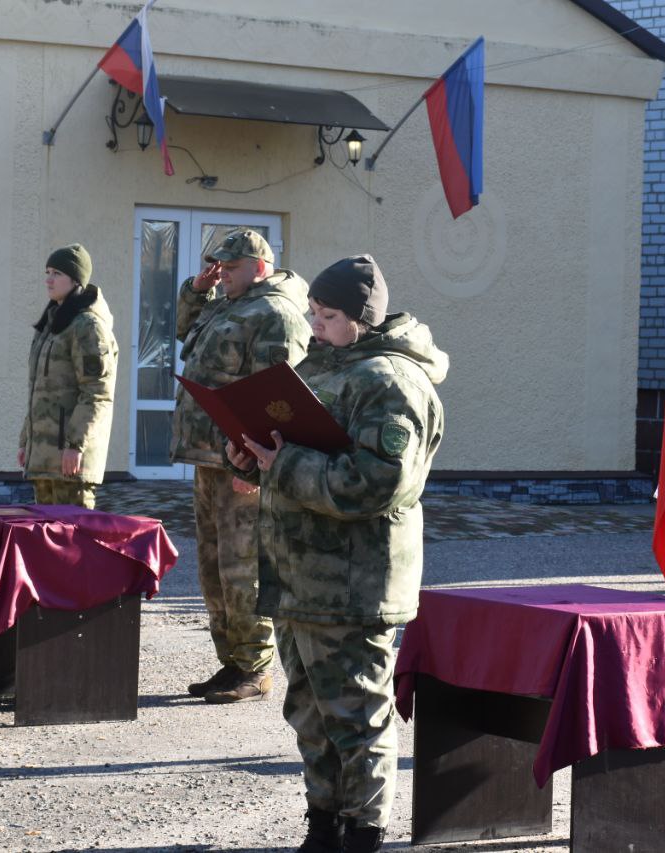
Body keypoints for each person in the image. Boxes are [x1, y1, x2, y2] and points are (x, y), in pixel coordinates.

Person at [227, 255, 446, 853]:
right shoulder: (323, 366)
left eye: (326, 316)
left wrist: (286, 464)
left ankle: (363, 833)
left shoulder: (392, 381)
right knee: (310, 714)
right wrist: (251, 454)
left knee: (355, 717)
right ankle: (324, 823)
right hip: (300, 578)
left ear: (361, 319)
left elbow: (379, 482)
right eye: (314, 314)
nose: (314, 326)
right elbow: (294, 444)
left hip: (353, 583)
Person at [172, 228, 310, 704]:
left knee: (242, 566)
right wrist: (197, 291)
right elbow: (183, 333)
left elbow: (279, 396)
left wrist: (252, 462)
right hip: (211, 458)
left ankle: (254, 666)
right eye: (220, 267)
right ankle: (231, 661)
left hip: (241, 464)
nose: (223, 274)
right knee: (212, 566)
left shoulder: (275, 313)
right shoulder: (226, 303)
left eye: (231, 268)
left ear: (260, 267)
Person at [17, 244, 118, 508]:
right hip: (44, 458)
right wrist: (26, 441)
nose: (48, 279)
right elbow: (39, 391)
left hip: (70, 460)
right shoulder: (51, 323)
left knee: (72, 543)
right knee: (46, 542)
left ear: (76, 280)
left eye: (57, 273)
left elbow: (96, 393)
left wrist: (76, 445)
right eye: (47, 272)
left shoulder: (88, 326)